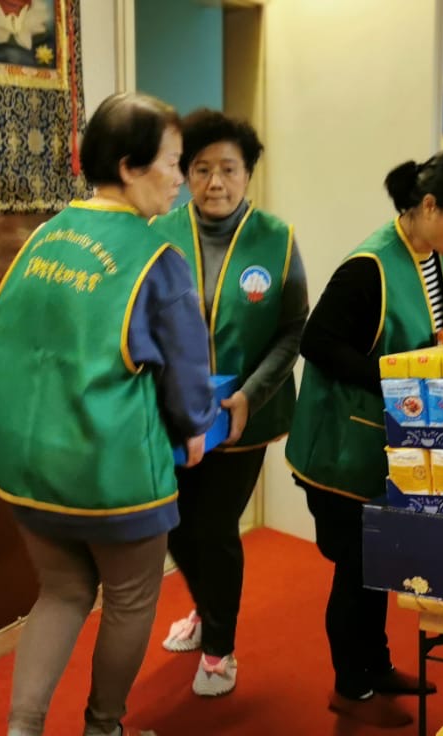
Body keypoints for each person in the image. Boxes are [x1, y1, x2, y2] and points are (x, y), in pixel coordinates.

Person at [0, 92, 218, 736]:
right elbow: (187, 373)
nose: (181, 179)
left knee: (62, 592)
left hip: (26, 463)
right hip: (112, 471)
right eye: (172, 163)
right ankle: (104, 727)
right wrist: (195, 426)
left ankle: (22, 728)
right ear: (128, 166)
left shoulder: (41, 237)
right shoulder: (157, 259)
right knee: (130, 599)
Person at [284, 149, 443, 728]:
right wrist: (397, 380)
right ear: (429, 206)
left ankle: (376, 666)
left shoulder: (433, 257)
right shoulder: (368, 267)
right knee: (355, 570)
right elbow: (316, 343)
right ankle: (350, 688)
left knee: (380, 563)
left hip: (386, 444)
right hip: (340, 450)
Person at [150, 110, 308, 697]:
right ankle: (205, 606)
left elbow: (293, 328)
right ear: (184, 173)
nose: (215, 182)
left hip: (242, 416)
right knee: (173, 527)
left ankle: (219, 648)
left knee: (214, 528)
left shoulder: (277, 238)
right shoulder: (158, 233)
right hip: (171, 414)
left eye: (228, 169)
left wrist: (249, 395)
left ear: (248, 173)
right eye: (201, 169)